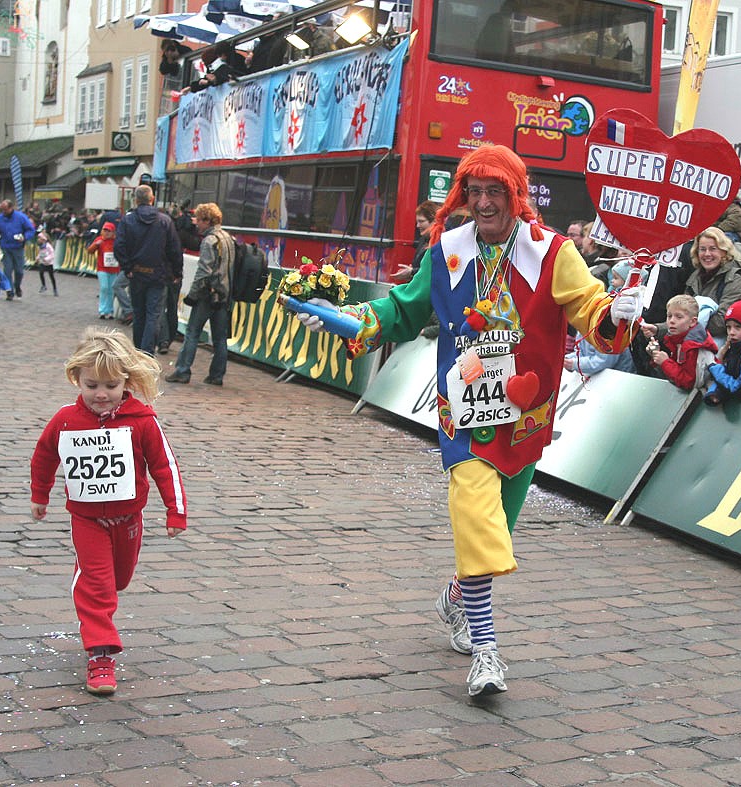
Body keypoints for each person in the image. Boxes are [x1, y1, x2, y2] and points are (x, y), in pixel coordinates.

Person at [293, 144, 642, 697]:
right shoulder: (446, 251)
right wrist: (351, 321)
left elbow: (590, 311)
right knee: (476, 522)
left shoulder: (552, 253)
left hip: (525, 417)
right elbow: (403, 308)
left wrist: (617, 314)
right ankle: (486, 653)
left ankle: (457, 597)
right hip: (465, 414)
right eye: (473, 191)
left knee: (496, 527)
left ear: (516, 195)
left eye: (494, 191)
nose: (482, 202)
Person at [29, 328, 187, 695]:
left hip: (129, 518)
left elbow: (164, 465)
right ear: (77, 381)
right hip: (86, 518)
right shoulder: (66, 419)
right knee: (98, 586)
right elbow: (44, 456)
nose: (101, 394)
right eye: (92, 385)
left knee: (118, 579)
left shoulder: (142, 420)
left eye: (110, 386)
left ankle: (91, 578)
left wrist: (175, 511)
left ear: (126, 382)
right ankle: (100, 656)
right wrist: (41, 494)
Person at [166, 203, 234, 386]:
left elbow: (203, 272)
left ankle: (182, 370)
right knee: (220, 338)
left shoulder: (210, 241)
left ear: (207, 220)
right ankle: (217, 375)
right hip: (224, 295)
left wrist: (193, 294)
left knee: (192, 333)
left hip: (207, 295)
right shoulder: (228, 238)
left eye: (199, 219)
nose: (196, 223)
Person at [114, 185, 183, 355]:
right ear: (152, 199)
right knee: (153, 314)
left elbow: (119, 246)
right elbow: (175, 249)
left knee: (139, 314)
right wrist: (176, 272)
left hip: (137, 273)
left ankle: (139, 350)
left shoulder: (128, 220)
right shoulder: (165, 220)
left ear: (136, 200)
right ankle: (146, 351)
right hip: (158, 274)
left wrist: (127, 267)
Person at [564, 261, 642, 377]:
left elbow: (606, 359)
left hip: (616, 380)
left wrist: (574, 364)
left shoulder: (603, 316)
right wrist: (566, 358)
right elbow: (582, 351)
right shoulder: (583, 315)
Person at [684, 227, 741, 338]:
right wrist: (657, 329)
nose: (707, 254)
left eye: (713, 249)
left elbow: (722, 322)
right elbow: (681, 314)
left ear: (724, 251)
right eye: (702, 249)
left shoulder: (734, 280)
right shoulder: (694, 279)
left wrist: (686, 326)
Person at [647, 293, 717, 390]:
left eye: (679, 317)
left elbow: (690, 384)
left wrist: (665, 362)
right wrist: (656, 356)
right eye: (669, 316)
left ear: (692, 322)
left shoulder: (693, 346)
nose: (672, 321)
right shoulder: (677, 339)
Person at [0, 199, 37, 301]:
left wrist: (24, 237)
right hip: (6, 247)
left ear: (11, 208)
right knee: (7, 271)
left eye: (5, 210)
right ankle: (10, 291)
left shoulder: (21, 217)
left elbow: (31, 230)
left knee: (19, 271)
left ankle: (17, 286)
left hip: (18, 247)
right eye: (2, 210)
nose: (3, 212)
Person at [87, 222, 120, 319]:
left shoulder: (116, 241)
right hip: (102, 268)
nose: (106, 233)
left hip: (114, 269)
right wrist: (95, 245)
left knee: (111, 290)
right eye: (105, 230)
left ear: (113, 232)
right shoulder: (99, 240)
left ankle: (109, 310)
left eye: (108, 231)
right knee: (104, 288)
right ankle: (102, 310)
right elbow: (90, 251)